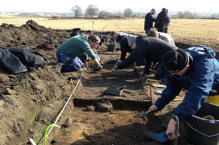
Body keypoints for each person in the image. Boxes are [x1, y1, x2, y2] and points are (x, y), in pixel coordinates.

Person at [148, 45, 219, 140]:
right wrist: (159, 104)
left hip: (215, 88)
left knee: (207, 121)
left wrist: (175, 119)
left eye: (175, 73)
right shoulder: (174, 62)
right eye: (171, 72)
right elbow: (172, 87)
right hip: (196, 87)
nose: (172, 74)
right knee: (190, 114)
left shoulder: (204, 67)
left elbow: (198, 93)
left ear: (187, 66)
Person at [112, 34, 178, 76]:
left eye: (131, 45)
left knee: (160, 76)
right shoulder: (144, 43)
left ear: (134, 42)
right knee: (159, 74)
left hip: (172, 56)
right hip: (167, 56)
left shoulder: (143, 43)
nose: (131, 48)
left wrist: (119, 66)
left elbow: (132, 57)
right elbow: (149, 59)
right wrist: (146, 72)